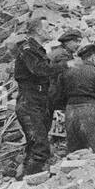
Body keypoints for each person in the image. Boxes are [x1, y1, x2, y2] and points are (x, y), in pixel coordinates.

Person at [13, 14, 57, 177]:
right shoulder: (28, 49)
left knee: (34, 145)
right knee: (40, 148)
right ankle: (28, 182)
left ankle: (24, 179)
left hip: (39, 100)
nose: (51, 30)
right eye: (48, 27)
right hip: (30, 101)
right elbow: (40, 70)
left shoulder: (38, 50)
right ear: (38, 30)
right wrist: (64, 65)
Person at [53, 42, 95, 152]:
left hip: (70, 113)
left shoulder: (65, 72)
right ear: (92, 57)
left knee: (76, 152)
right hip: (90, 111)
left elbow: (58, 96)